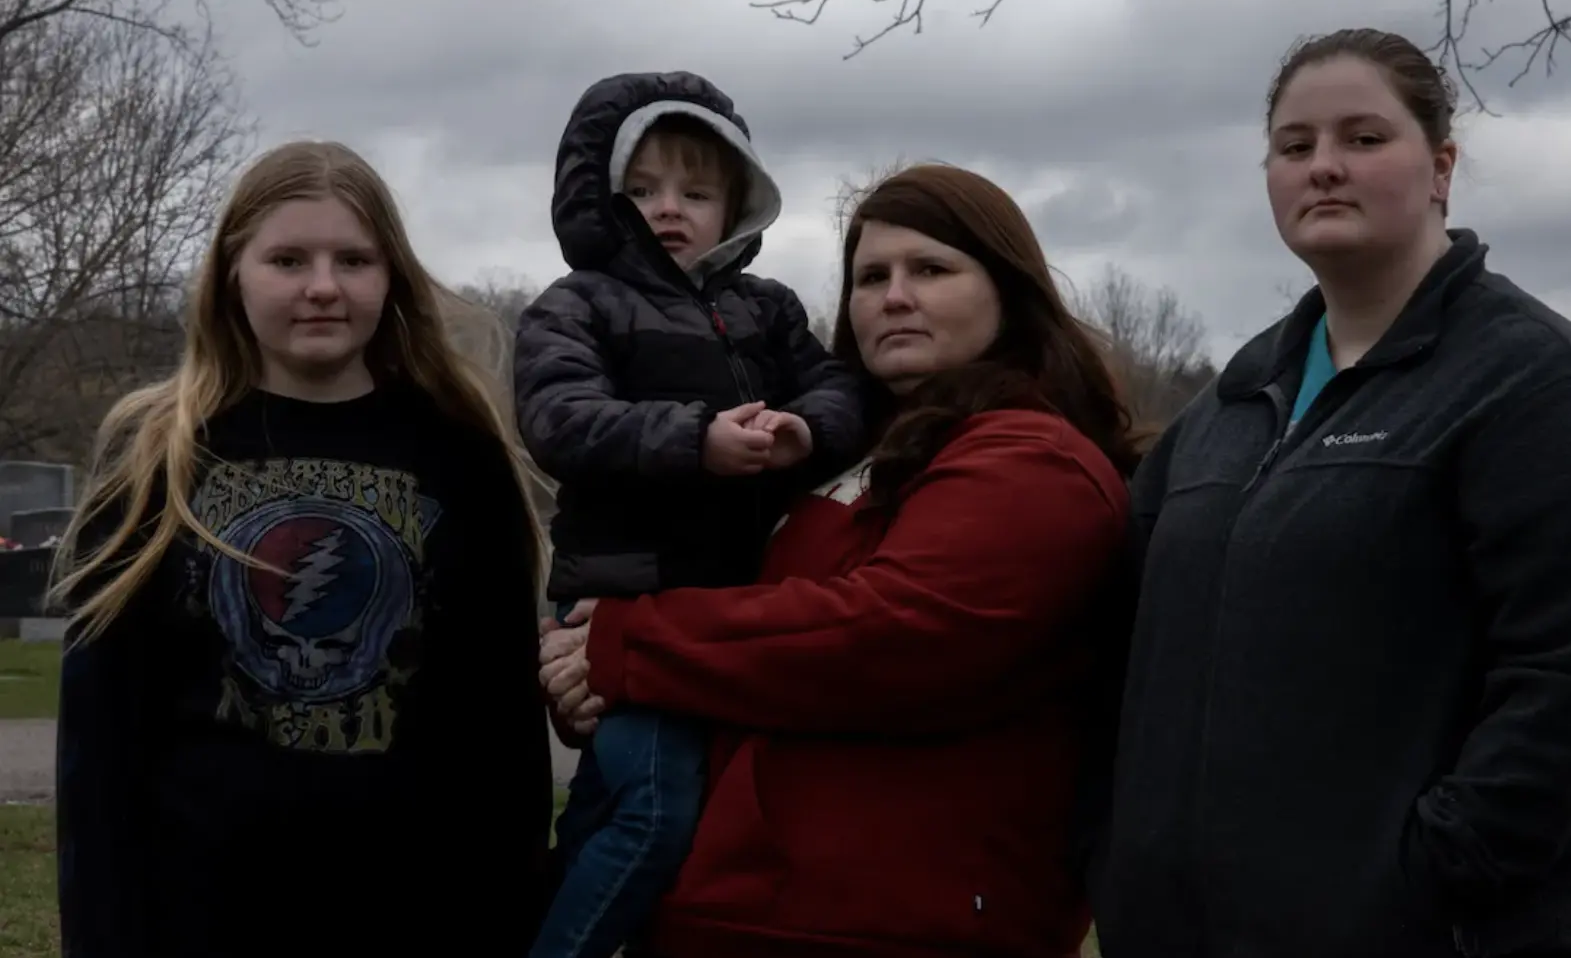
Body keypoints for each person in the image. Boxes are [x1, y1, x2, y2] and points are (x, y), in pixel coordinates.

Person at [1092, 28, 1571, 958]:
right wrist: (1117, 851)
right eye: (1295, 146)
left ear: (1440, 167)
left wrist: (1422, 880)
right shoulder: (1225, 411)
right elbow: (1127, 655)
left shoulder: (1545, 389)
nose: (1323, 167)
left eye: (1363, 139)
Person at [537, 163, 1139, 958]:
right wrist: (593, 676)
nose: (893, 297)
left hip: (892, 925)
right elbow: (745, 634)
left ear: (1007, 289)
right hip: (743, 909)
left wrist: (626, 645)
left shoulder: (1031, 459)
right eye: (870, 276)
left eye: (930, 269)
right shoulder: (853, 454)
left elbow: (886, 635)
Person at [50, 141, 554, 958]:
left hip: (415, 916)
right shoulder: (156, 456)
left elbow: (500, 739)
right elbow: (99, 746)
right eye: (287, 258)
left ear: (389, 276)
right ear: (232, 273)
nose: (323, 285)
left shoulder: (459, 454)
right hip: (196, 917)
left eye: (352, 259)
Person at [515, 70, 865, 958]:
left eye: (696, 191)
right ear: (604, 196)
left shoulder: (769, 310)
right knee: (655, 816)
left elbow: (843, 395)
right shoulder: (578, 303)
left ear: (734, 204)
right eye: (643, 188)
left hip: (729, 614)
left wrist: (799, 429)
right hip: (619, 602)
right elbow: (560, 419)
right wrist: (695, 439)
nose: (669, 208)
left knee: (609, 813)